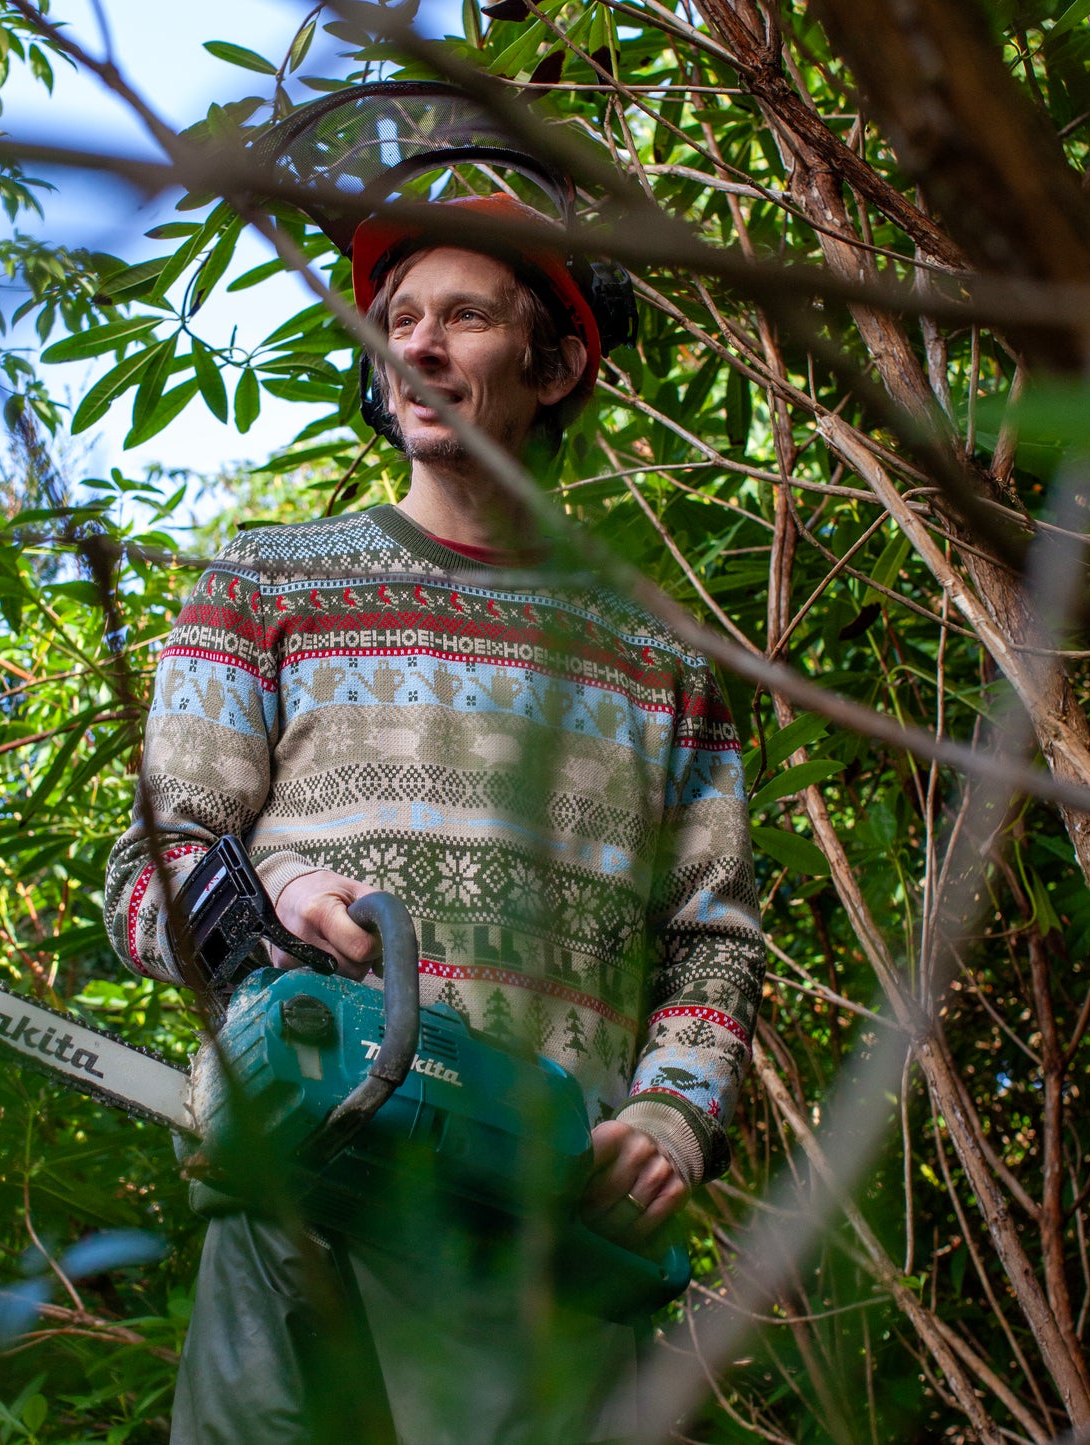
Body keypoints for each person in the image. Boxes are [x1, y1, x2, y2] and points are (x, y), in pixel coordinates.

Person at [103, 192, 765, 1443]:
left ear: (553, 365)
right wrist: (273, 901)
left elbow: (711, 937)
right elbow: (150, 866)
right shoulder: (267, 581)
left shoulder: (655, 653)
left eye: (463, 316)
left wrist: (671, 1113)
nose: (415, 342)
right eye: (398, 317)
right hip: (298, 1207)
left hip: (540, 1238)